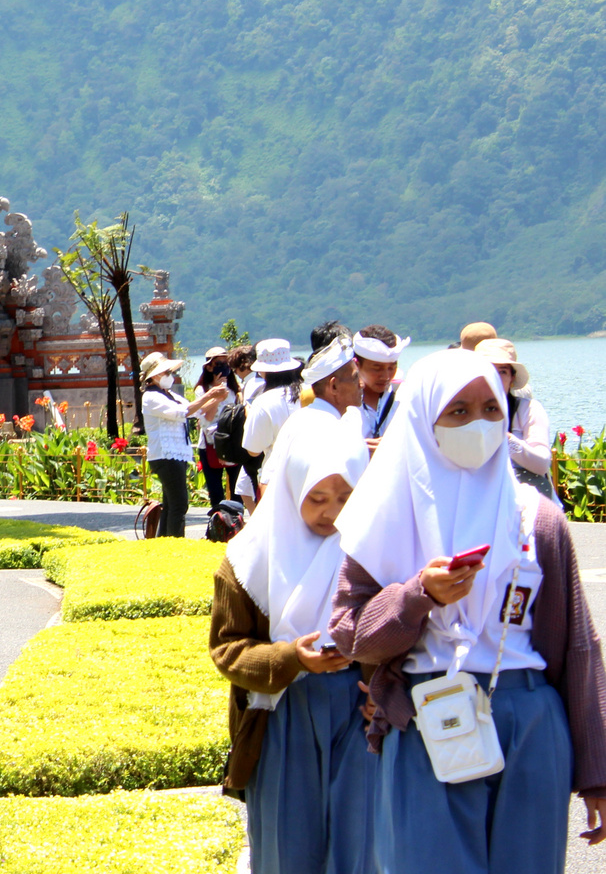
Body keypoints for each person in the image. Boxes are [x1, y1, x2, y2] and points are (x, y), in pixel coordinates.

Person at [331, 350, 606, 874]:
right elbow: (353, 635)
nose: (478, 425)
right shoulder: (385, 516)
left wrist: (596, 771)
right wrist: (418, 596)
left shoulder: (537, 519)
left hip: (529, 718)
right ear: (422, 419)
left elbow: (578, 644)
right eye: (457, 412)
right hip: (429, 714)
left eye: (490, 410)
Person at [211, 414, 374, 874]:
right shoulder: (248, 560)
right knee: (288, 849)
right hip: (281, 715)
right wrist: (290, 657)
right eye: (317, 498)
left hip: (358, 712)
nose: (333, 512)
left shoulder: (370, 548)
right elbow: (227, 648)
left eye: (346, 497)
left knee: (360, 847)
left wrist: (377, 676)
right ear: (289, 489)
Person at [140, 352, 229, 538]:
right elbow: (181, 412)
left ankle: (163, 541)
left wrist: (216, 398)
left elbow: (194, 411)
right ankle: (175, 543)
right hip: (165, 454)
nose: (169, 375)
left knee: (172, 504)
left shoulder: (170, 394)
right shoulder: (150, 397)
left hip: (176, 454)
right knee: (180, 504)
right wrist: (210, 394)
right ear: (155, 376)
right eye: (166, 372)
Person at [259, 335, 363, 489]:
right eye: (355, 378)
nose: (361, 384)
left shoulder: (302, 419)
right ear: (333, 386)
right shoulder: (321, 427)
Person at [476, 338, 556, 501]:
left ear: (512, 378)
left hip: (528, 503)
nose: (495, 378)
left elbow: (541, 464)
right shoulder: (459, 413)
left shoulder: (528, 409)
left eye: (502, 371)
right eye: (489, 370)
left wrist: (506, 439)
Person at [241, 339, 303, 495]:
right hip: (310, 474)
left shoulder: (264, 401)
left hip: (276, 476)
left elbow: (253, 450)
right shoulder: (309, 392)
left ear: (263, 371)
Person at [194, 347, 242, 506]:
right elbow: (206, 416)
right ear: (208, 366)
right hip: (209, 442)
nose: (223, 366)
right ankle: (219, 523)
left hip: (232, 441)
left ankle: (236, 521)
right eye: (218, 363)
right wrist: (217, 395)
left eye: (226, 363)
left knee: (237, 488)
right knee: (215, 491)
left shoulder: (235, 389)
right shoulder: (202, 390)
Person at [352, 325, 408, 446]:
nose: (386, 376)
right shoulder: (342, 402)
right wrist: (358, 448)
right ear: (356, 364)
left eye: (391, 368)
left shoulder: (404, 396)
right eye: (377, 369)